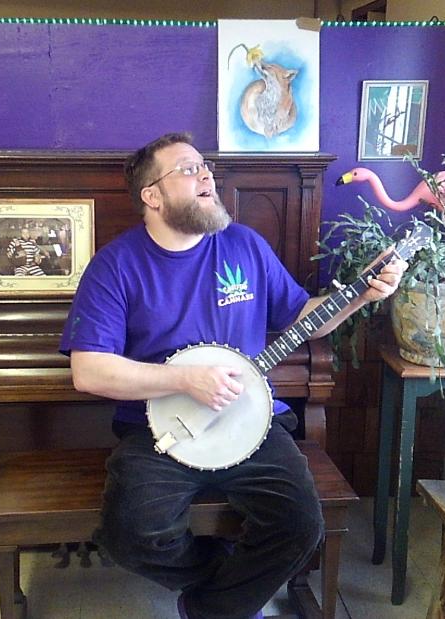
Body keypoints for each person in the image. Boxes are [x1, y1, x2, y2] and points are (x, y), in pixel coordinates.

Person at [59, 133, 406, 619]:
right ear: (152, 195)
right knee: (131, 536)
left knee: (301, 526)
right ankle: (222, 583)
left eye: (204, 166)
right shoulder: (115, 267)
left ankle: (210, 609)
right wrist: (184, 380)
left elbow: (302, 316)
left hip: (255, 423)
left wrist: (362, 295)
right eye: (187, 169)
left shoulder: (244, 245)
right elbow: (89, 371)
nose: (206, 175)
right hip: (158, 431)